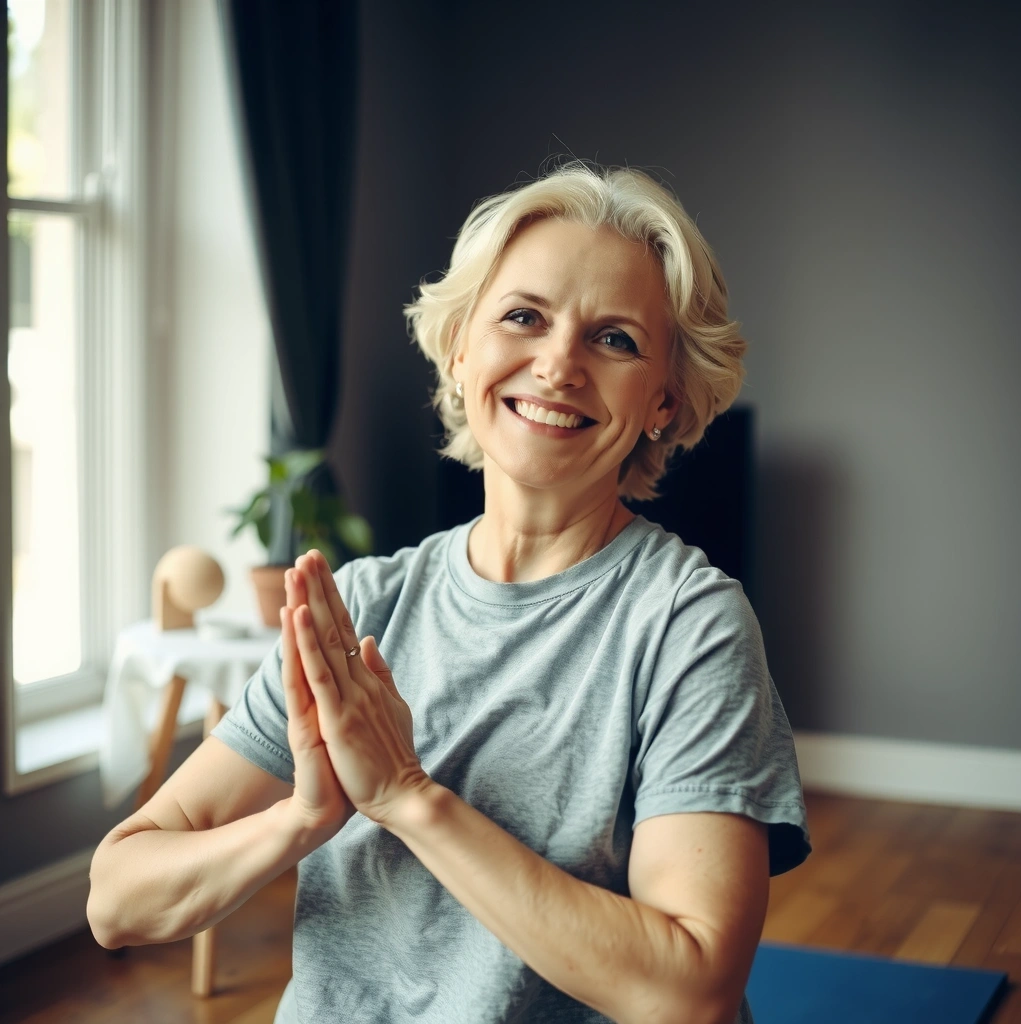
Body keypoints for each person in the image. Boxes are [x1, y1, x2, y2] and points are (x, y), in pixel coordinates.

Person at [87, 161, 811, 1024]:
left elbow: (687, 991)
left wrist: (407, 797)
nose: (558, 364)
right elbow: (116, 901)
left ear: (663, 399)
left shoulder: (689, 626)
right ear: (462, 349)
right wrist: (301, 819)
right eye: (523, 317)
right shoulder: (363, 607)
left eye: (614, 339)